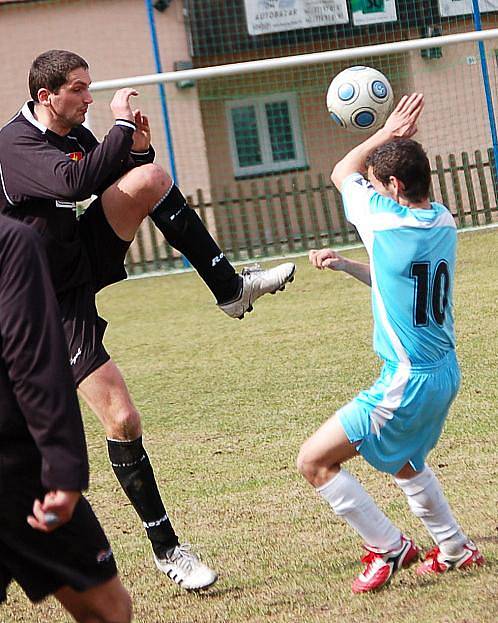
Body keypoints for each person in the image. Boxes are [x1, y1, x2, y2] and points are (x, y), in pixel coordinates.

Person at [0, 49, 295, 591]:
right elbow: (73, 185)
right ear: (47, 96)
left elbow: (118, 172)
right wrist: (115, 125)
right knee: (122, 420)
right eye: (79, 89)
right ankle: (169, 549)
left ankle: (229, 289)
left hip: (76, 260)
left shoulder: (75, 133)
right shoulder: (14, 143)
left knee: (150, 177)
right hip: (38, 303)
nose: (89, 98)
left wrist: (138, 146)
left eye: (91, 88)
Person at [297, 93, 484, 593]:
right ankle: (456, 548)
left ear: (395, 186)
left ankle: (388, 546)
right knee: (406, 463)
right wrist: (346, 266)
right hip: (444, 371)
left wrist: (388, 132)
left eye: (381, 184)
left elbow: (342, 170)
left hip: (408, 378)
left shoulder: (382, 218)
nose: (373, 190)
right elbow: (396, 279)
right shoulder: (443, 221)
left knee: (314, 461)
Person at [0, 213, 132, 623]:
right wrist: (64, 471)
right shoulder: (10, 243)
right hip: (15, 473)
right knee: (108, 610)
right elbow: (34, 363)